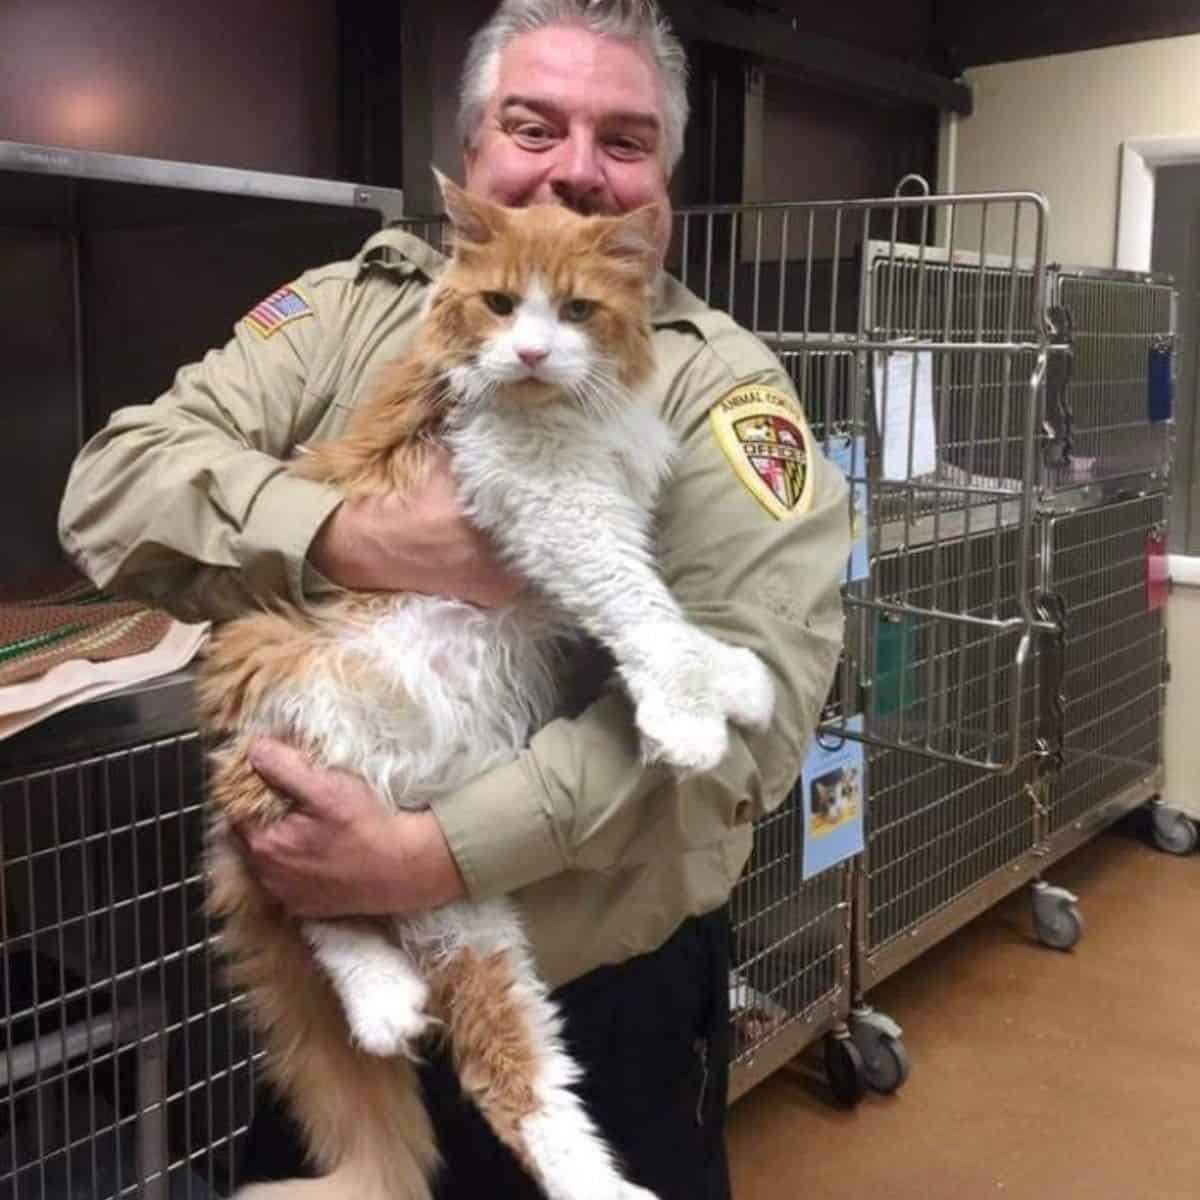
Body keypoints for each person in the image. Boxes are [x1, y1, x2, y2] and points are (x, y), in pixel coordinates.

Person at [58, 1, 850, 1196]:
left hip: (588, 992)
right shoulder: (345, 307)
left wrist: (431, 857)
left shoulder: (715, 383)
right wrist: (359, 534)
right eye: (535, 126)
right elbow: (114, 487)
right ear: (473, 150)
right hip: (340, 973)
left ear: (665, 186)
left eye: (625, 142)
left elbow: (758, 715)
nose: (577, 168)